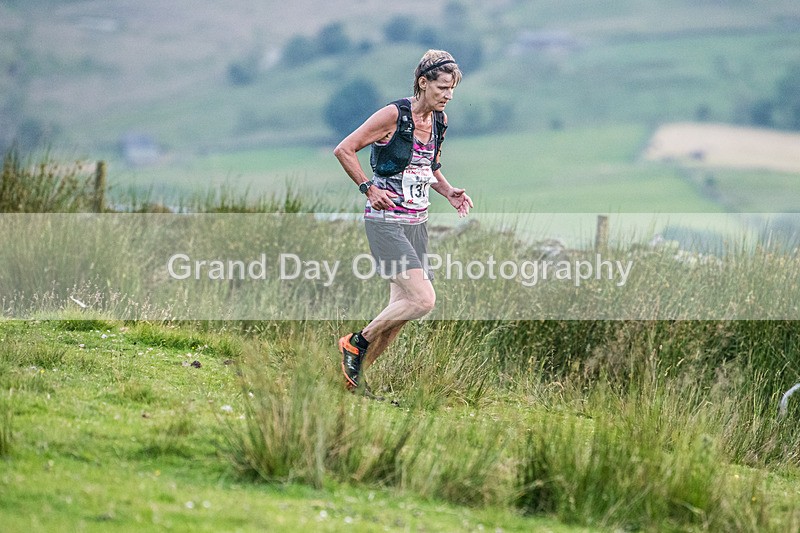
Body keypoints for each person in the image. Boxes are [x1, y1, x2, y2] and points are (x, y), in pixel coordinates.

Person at [332, 49, 473, 397]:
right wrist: (368, 188)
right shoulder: (393, 115)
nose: (447, 95)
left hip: (417, 223)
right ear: (423, 83)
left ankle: (354, 382)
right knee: (423, 301)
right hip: (385, 222)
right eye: (442, 88)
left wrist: (448, 191)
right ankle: (356, 341)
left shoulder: (440, 120)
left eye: (452, 90)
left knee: (401, 316)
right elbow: (344, 149)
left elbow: (428, 167)